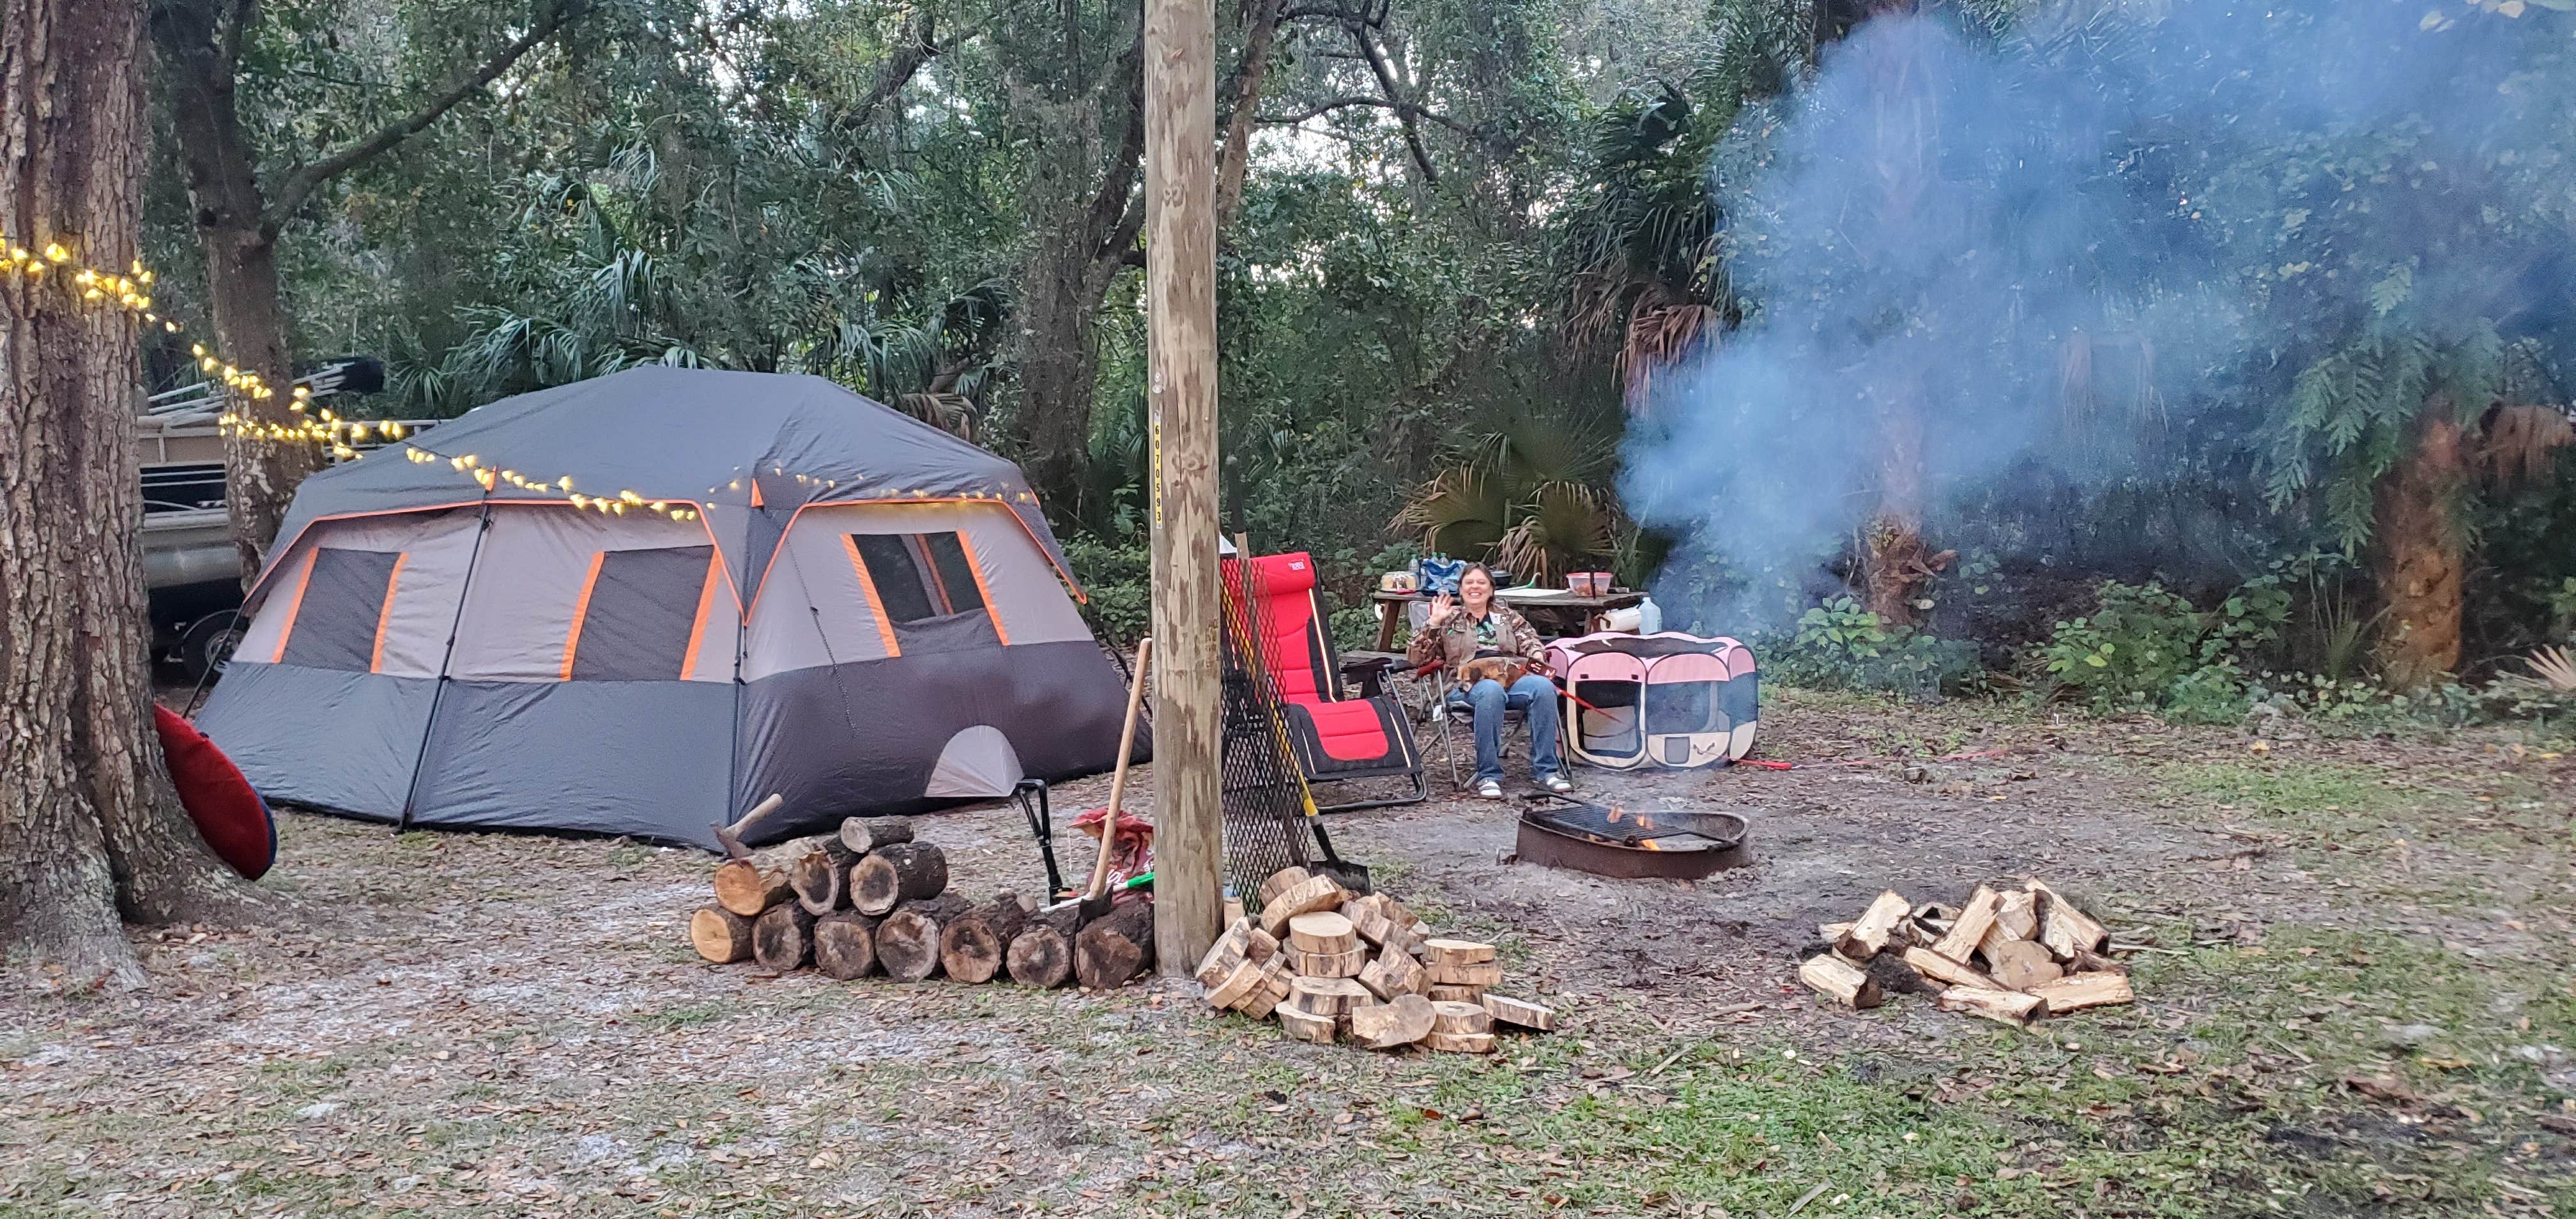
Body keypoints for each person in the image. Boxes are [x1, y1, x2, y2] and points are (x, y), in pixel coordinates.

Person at [1406, 563, 1570, 799]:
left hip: (1510, 678)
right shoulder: (1448, 619)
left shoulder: (1508, 617)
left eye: (1481, 582)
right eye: (1469, 583)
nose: (1475, 587)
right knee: (1490, 691)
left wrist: (1536, 654)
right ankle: (1489, 775)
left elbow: (1531, 641)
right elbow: (1416, 659)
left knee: (1543, 687)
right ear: (1460, 589)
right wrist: (1433, 624)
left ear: (1491, 589)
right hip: (1463, 685)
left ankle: (1547, 771)